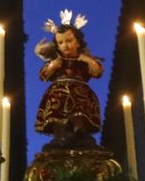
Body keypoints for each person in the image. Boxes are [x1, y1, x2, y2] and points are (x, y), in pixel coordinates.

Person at [34, 11, 103, 148]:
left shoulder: (83, 60)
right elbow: (43, 75)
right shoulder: (56, 61)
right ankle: (59, 136)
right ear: (57, 45)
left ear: (78, 42)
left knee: (79, 108)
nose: (65, 45)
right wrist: (52, 66)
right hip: (58, 91)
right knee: (56, 111)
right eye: (61, 42)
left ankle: (80, 132)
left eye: (69, 41)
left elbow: (97, 72)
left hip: (79, 90)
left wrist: (88, 60)